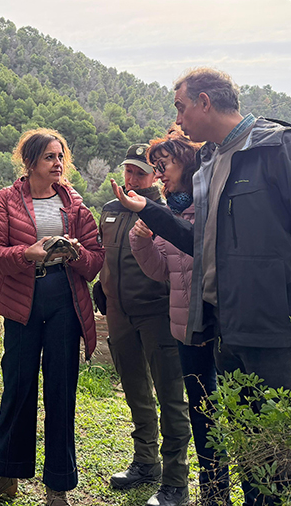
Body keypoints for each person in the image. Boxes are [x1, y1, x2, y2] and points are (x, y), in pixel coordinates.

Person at [112, 68, 291, 505]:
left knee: (287, 459)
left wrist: (274, 282)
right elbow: (201, 244)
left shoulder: (280, 147)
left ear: (205, 102)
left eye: (181, 107)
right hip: (227, 331)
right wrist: (151, 211)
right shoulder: (209, 162)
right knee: (250, 452)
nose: (177, 119)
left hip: (277, 330)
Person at [0, 128, 104, 506]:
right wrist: (27, 254)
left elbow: (95, 260)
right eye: (49, 157)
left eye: (60, 156)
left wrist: (75, 253)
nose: (58, 163)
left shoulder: (75, 205)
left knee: (61, 391)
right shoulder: (5, 200)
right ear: (29, 162)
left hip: (64, 300)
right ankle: (4, 475)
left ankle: (58, 486)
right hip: (21, 301)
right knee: (18, 387)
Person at [128, 130, 230, 505]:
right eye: (155, 168)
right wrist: (140, 240)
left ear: (186, 162)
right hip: (187, 329)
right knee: (203, 413)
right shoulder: (167, 213)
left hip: (222, 325)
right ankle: (215, 494)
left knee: (233, 409)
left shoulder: (210, 203)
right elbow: (161, 271)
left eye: (163, 165)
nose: (158, 174)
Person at [97, 142, 191, 506]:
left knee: (170, 397)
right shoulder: (110, 209)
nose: (133, 178)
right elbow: (105, 255)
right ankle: (145, 462)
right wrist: (101, 286)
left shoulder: (164, 213)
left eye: (140, 172)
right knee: (135, 392)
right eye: (128, 170)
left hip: (157, 315)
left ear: (155, 176)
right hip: (118, 314)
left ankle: (175, 481)